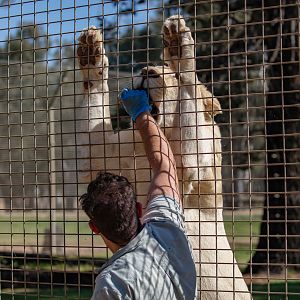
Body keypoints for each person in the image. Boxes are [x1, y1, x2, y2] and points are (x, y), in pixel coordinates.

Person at [80, 89, 197, 299]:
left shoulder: (113, 282)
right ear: (139, 208)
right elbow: (164, 165)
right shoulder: (167, 230)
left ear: (94, 228)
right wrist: (141, 113)